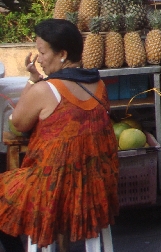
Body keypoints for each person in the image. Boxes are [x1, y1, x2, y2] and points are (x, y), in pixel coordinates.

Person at [0, 19, 118, 251]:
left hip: (51, 189)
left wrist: (32, 80)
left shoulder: (46, 89)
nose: (39, 59)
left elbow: (18, 123)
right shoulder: (99, 85)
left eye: (42, 52)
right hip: (95, 187)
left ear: (62, 54)